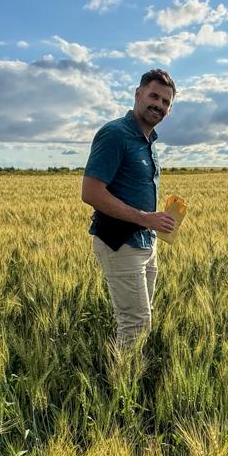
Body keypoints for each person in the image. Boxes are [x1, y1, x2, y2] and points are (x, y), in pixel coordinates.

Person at [81, 69, 178, 352]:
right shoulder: (115, 134)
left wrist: (156, 217)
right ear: (138, 94)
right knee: (135, 322)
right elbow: (91, 192)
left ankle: (128, 377)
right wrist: (145, 218)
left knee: (141, 317)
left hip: (146, 241)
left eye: (166, 102)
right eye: (154, 96)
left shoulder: (147, 142)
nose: (159, 105)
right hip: (120, 242)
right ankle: (121, 387)